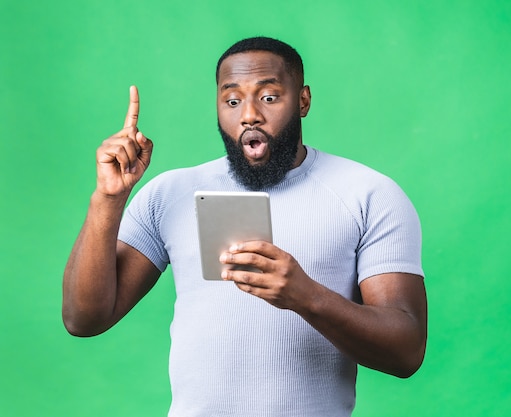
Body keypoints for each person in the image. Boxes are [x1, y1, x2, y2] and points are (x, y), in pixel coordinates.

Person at [63, 36, 427, 417]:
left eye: (269, 97)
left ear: (303, 101)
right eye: (232, 101)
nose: (249, 114)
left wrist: (306, 296)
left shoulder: (369, 194)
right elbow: (84, 319)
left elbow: (406, 351)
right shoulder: (169, 193)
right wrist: (108, 200)